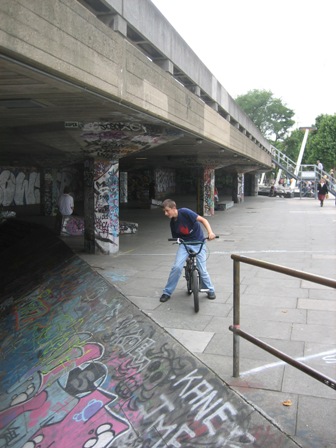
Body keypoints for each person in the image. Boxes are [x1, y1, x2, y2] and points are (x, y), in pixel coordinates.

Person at [160, 199, 216, 302]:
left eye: (167, 210)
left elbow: (203, 220)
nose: (165, 213)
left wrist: (210, 233)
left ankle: (210, 289)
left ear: (174, 208)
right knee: (176, 267)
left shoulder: (185, 212)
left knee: (202, 269)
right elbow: (177, 239)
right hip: (185, 244)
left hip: (198, 242)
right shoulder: (173, 223)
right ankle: (167, 292)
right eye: (164, 211)